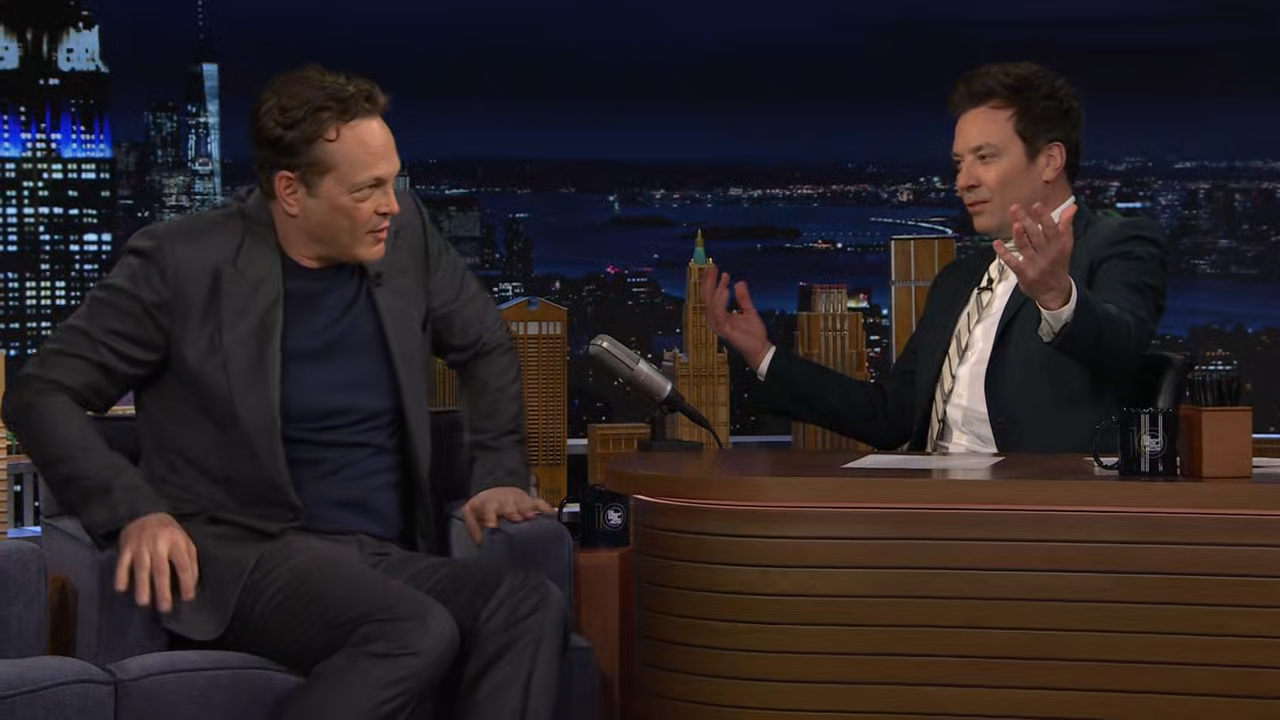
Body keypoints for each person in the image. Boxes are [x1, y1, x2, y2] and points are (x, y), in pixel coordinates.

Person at [2, 65, 563, 720]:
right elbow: (40, 393)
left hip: (378, 550)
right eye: (368, 189)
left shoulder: (406, 237)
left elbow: (485, 343)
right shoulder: (183, 262)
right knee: (412, 631)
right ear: (292, 191)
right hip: (242, 553)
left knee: (527, 603)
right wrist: (136, 511)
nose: (391, 204)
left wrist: (498, 473)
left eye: (394, 181)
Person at [703, 61, 1167, 453]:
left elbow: (1123, 347)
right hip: (932, 501)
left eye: (985, 157)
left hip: (1035, 509)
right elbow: (890, 416)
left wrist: (1057, 297)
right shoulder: (958, 280)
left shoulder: (1117, 242)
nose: (963, 180)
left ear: (1049, 161)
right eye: (959, 163)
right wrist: (763, 355)